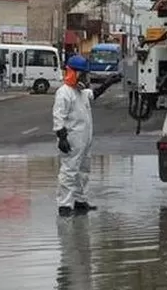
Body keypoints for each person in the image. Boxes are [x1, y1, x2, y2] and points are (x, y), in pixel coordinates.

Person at [53, 54, 122, 217]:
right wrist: (62, 137)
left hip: (84, 139)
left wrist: (109, 82)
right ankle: (64, 205)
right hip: (72, 139)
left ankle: (80, 201)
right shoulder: (64, 93)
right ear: (74, 73)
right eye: (83, 74)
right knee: (69, 171)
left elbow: (94, 94)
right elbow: (58, 116)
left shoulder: (81, 92)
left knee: (83, 170)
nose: (85, 78)